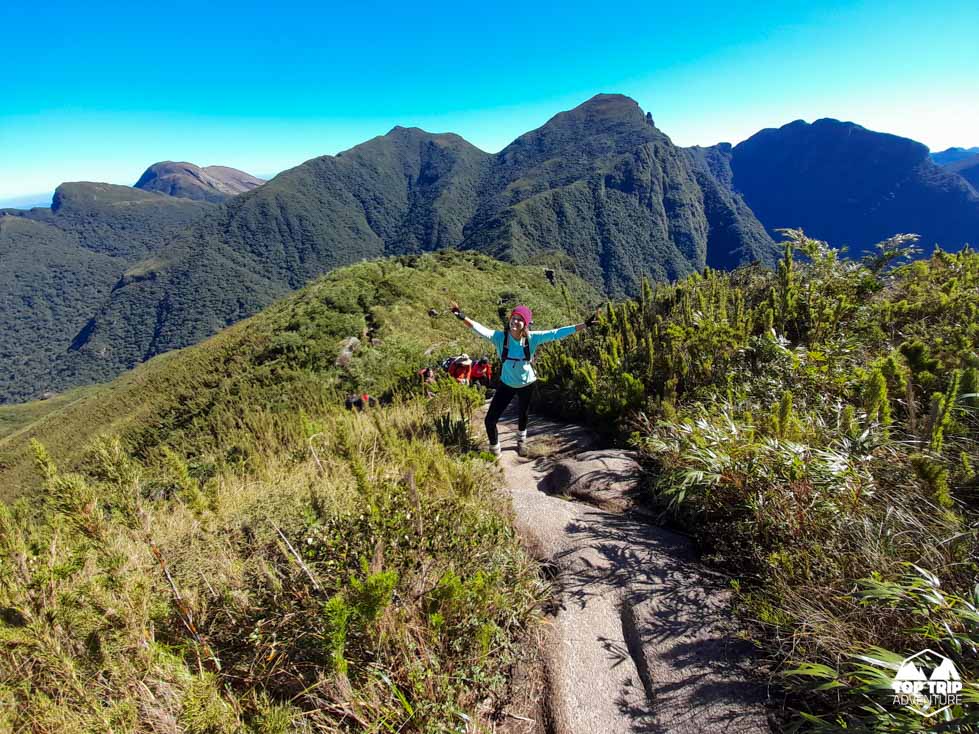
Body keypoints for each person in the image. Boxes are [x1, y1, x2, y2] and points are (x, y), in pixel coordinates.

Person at [450, 301, 599, 457]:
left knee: (523, 414)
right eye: (513, 318)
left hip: (527, 384)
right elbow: (478, 328)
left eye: (520, 319)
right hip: (506, 384)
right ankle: (495, 450)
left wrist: (585, 325)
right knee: (490, 420)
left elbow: (557, 333)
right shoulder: (500, 338)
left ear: (526, 324)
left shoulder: (532, 338)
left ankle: (521, 442)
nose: (515, 321)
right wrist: (462, 316)